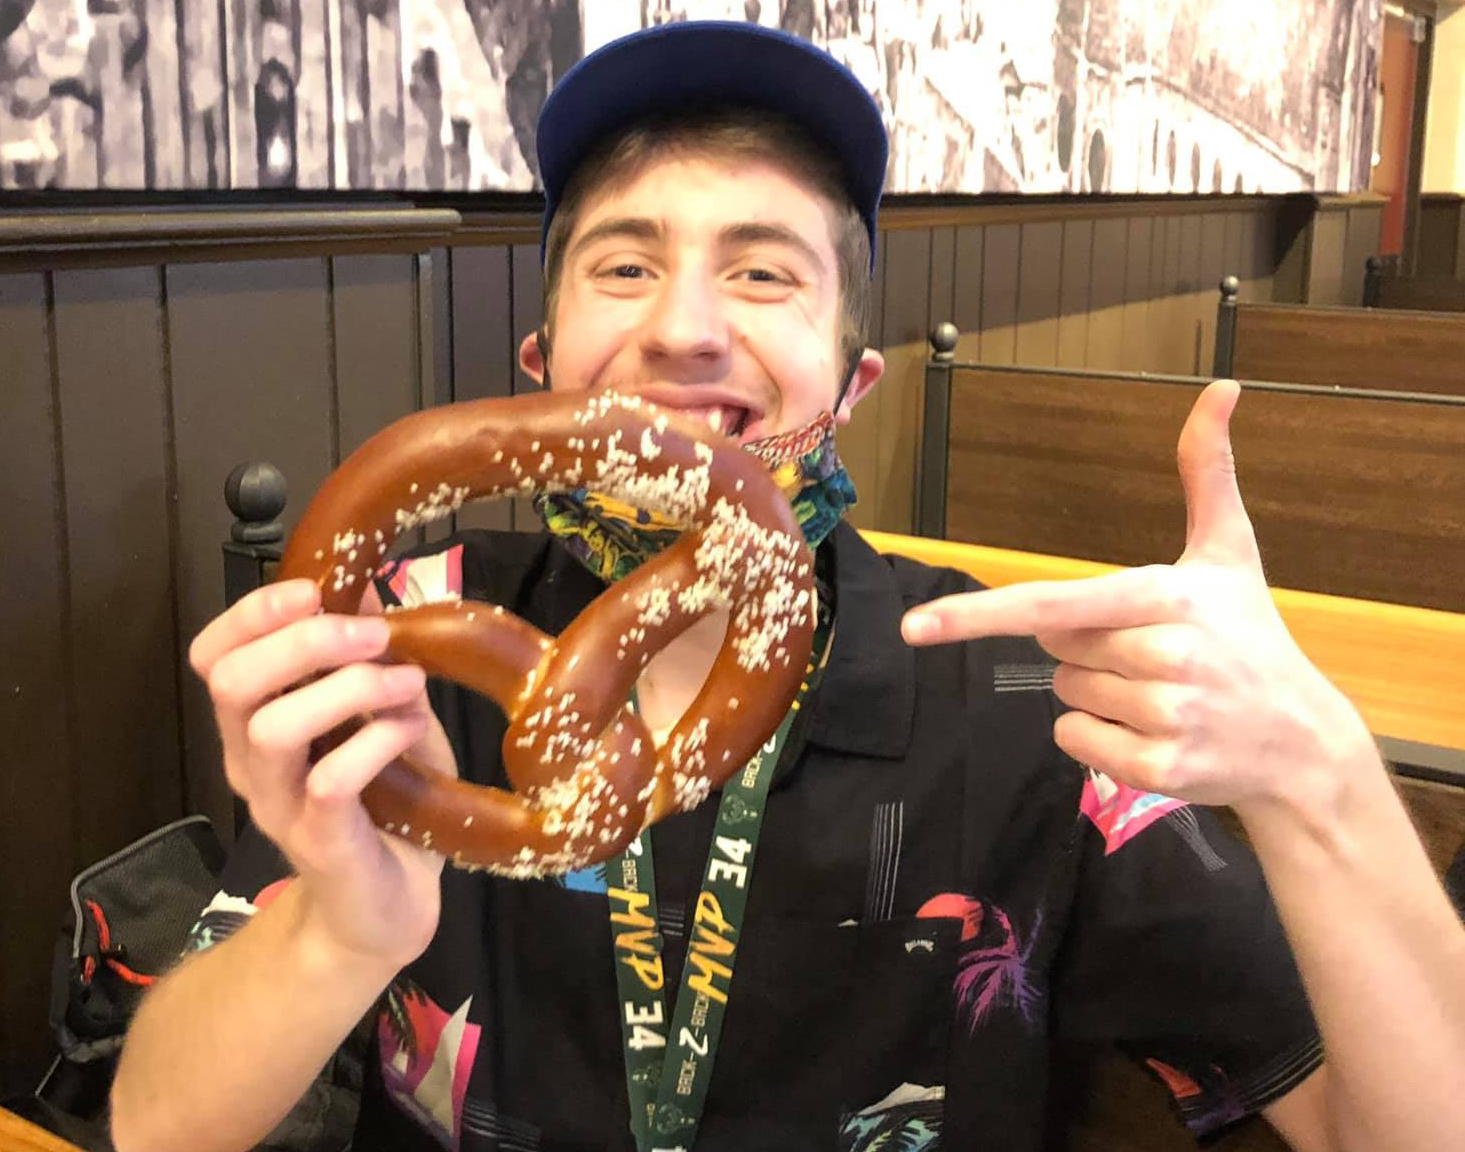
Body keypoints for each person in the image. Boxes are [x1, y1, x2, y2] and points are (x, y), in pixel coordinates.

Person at [109, 21, 1465, 1152]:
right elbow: (160, 1124)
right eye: (625, 266)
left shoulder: (1020, 708)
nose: (686, 326)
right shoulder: (401, 657)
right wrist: (349, 930)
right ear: (544, 366)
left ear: (851, 389)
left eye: (762, 272)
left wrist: (1324, 776)